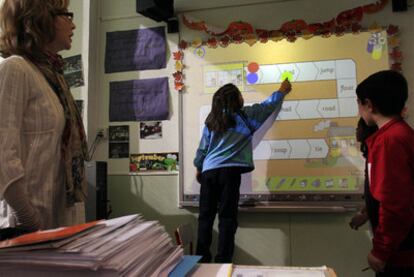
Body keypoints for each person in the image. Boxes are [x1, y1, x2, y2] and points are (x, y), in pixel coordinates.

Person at [0, 0, 88, 235]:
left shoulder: (53, 76)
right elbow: (2, 155)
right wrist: (30, 221)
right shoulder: (15, 68)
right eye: (67, 15)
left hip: (56, 219)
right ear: (41, 19)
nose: (74, 24)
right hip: (27, 227)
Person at [194, 80, 292, 262]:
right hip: (229, 174)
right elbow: (267, 106)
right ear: (235, 99)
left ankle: (201, 259)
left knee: (205, 217)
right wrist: (281, 91)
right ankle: (223, 260)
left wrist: (199, 167)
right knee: (227, 218)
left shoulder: (212, 120)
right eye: (240, 94)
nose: (242, 97)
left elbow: (203, 148)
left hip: (209, 172)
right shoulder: (247, 117)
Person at [355, 70, 414, 276]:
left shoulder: (389, 141)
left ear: (369, 105)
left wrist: (381, 251)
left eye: (359, 103)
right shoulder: (397, 134)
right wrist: (367, 210)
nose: (359, 110)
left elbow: (395, 202)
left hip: (401, 255)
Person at [349, 118, 378, 231]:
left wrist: (367, 215)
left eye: (359, 127)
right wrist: (367, 210)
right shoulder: (371, 153)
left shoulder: (376, 154)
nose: (356, 130)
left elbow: (386, 194)